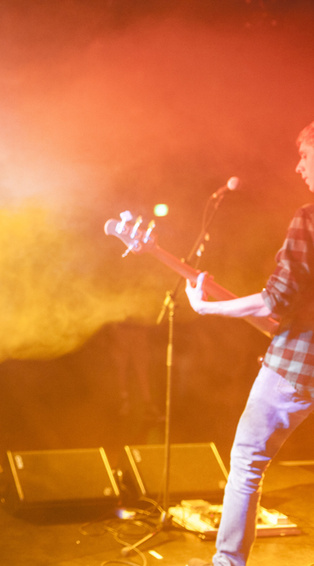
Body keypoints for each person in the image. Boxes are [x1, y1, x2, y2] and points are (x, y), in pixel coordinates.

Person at [184, 120, 314, 566]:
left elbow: (277, 298)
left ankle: (228, 563)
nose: (299, 166)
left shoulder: (308, 217)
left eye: (305, 155)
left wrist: (209, 308)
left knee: (246, 463)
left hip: (297, 368)